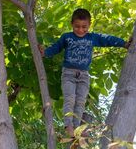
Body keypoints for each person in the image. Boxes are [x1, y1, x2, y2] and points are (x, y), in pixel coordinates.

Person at [39, 8, 131, 137]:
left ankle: (77, 128)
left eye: (84, 27)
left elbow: (107, 39)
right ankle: (68, 126)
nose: (81, 30)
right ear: (72, 24)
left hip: (84, 75)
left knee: (81, 101)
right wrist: (45, 52)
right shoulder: (67, 37)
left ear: (89, 25)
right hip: (69, 74)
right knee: (70, 99)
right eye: (77, 26)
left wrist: (123, 44)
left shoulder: (92, 38)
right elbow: (56, 47)